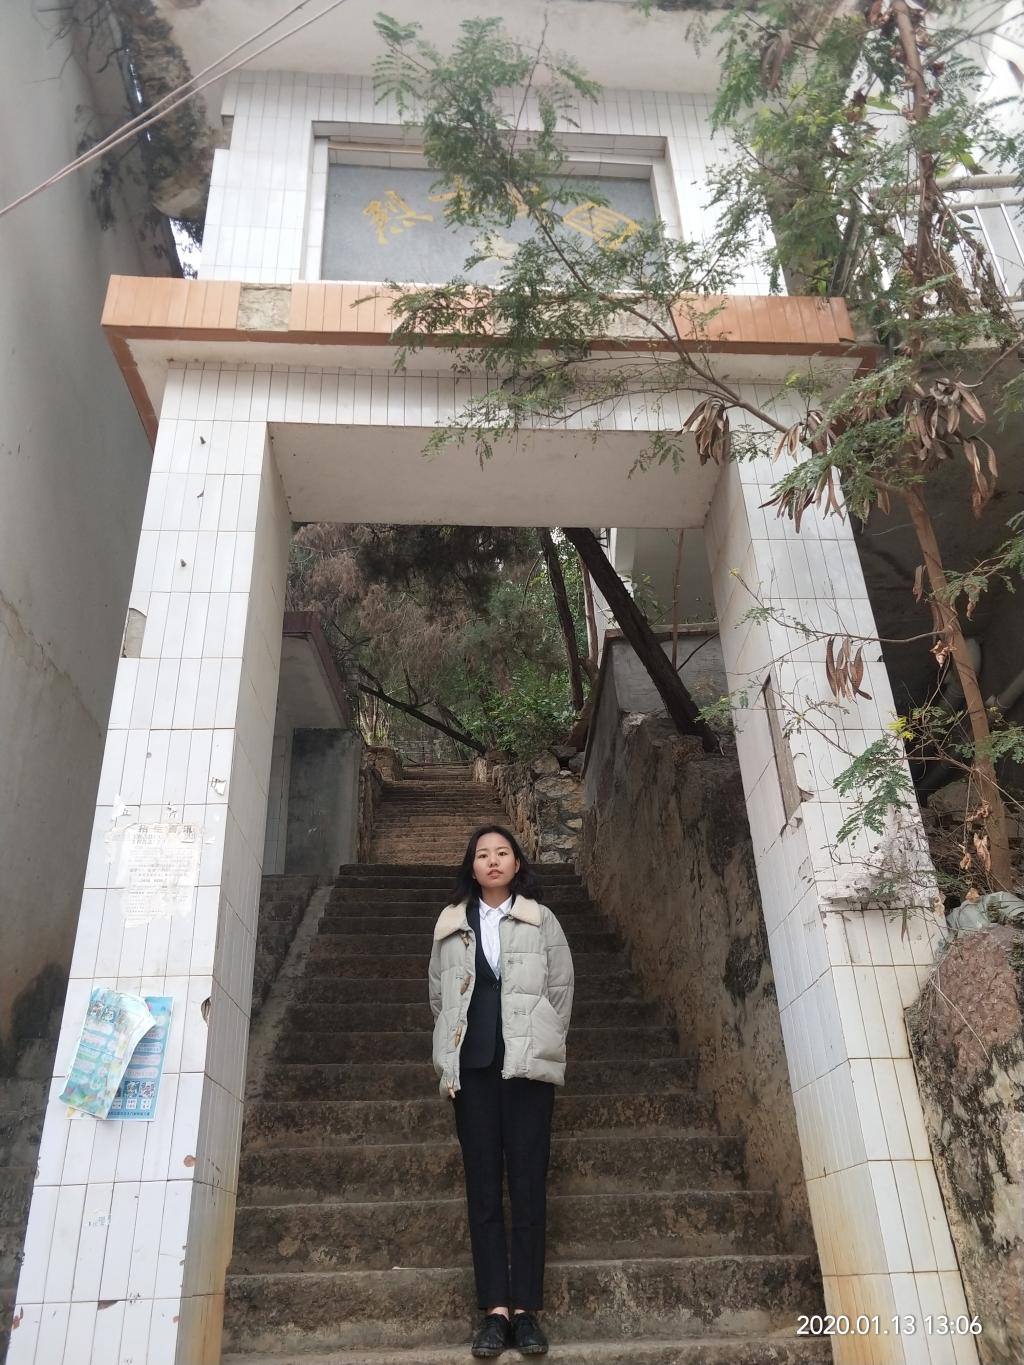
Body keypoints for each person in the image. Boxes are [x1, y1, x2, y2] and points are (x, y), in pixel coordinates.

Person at [428, 824, 574, 1358]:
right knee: (484, 1187)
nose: (493, 861)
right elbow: (438, 997)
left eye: (502, 853)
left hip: (527, 1067)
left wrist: (543, 1037)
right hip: (473, 1068)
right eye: (483, 854)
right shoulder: (450, 925)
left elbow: (561, 990)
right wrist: (450, 1051)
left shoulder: (540, 919)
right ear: (471, 867)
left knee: (529, 1183)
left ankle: (527, 1311)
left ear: (516, 863)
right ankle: (495, 1311)